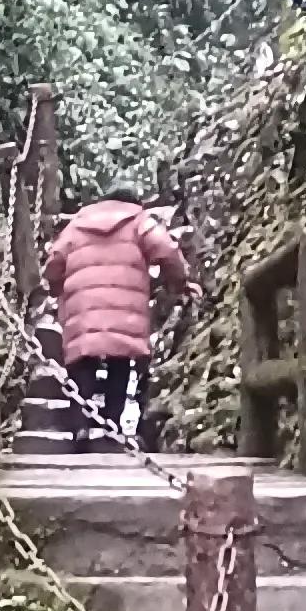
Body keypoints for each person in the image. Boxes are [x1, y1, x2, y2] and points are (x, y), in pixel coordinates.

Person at [42, 187, 196, 451]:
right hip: (125, 309)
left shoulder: (78, 223)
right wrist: (180, 283)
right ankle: (111, 424)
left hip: (83, 305)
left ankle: (80, 425)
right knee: (120, 362)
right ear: (133, 202)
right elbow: (168, 251)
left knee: (82, 362)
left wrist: (56, 287)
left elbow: (56, 259)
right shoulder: (139, 221)